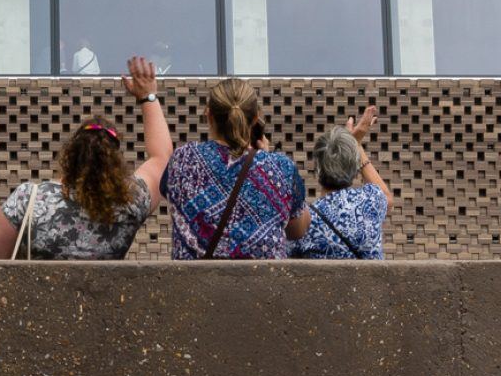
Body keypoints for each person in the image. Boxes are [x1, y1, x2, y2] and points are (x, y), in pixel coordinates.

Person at [0, 56, 169, 260]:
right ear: (115, 162)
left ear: (70, 155)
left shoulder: (31, 200)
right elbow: (162, 159)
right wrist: (148, 97)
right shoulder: (130, 201)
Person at [160, 77, 305, 259]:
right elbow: (298, 229)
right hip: (262, 286)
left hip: (195, 285)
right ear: (255, 118)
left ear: (209, 115)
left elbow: (169, 193)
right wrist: (265, 159)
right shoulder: (281, 168)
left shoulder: (181, 160)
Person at [288, 106, 393, 259]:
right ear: (354, 166)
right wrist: (356, 144)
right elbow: (387, 198)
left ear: (317, 168)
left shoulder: (304, 222)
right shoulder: (371, 201)